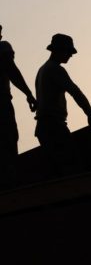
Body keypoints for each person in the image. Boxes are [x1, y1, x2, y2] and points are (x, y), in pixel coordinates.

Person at [35, 33, 91, 176]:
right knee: (72, 166)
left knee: (57, 170)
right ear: (59, 50)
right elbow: (75, 92)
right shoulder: (55, 69)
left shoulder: (42, 70)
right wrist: (90, 114)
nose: (71, 55)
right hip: (53, 126)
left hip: (44, 127)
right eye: (69, 52)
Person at [0, 24, 37, 188]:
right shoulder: (2, 47)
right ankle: (11, 183)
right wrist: (28, 93)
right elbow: (12, 71)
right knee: (8, 140)